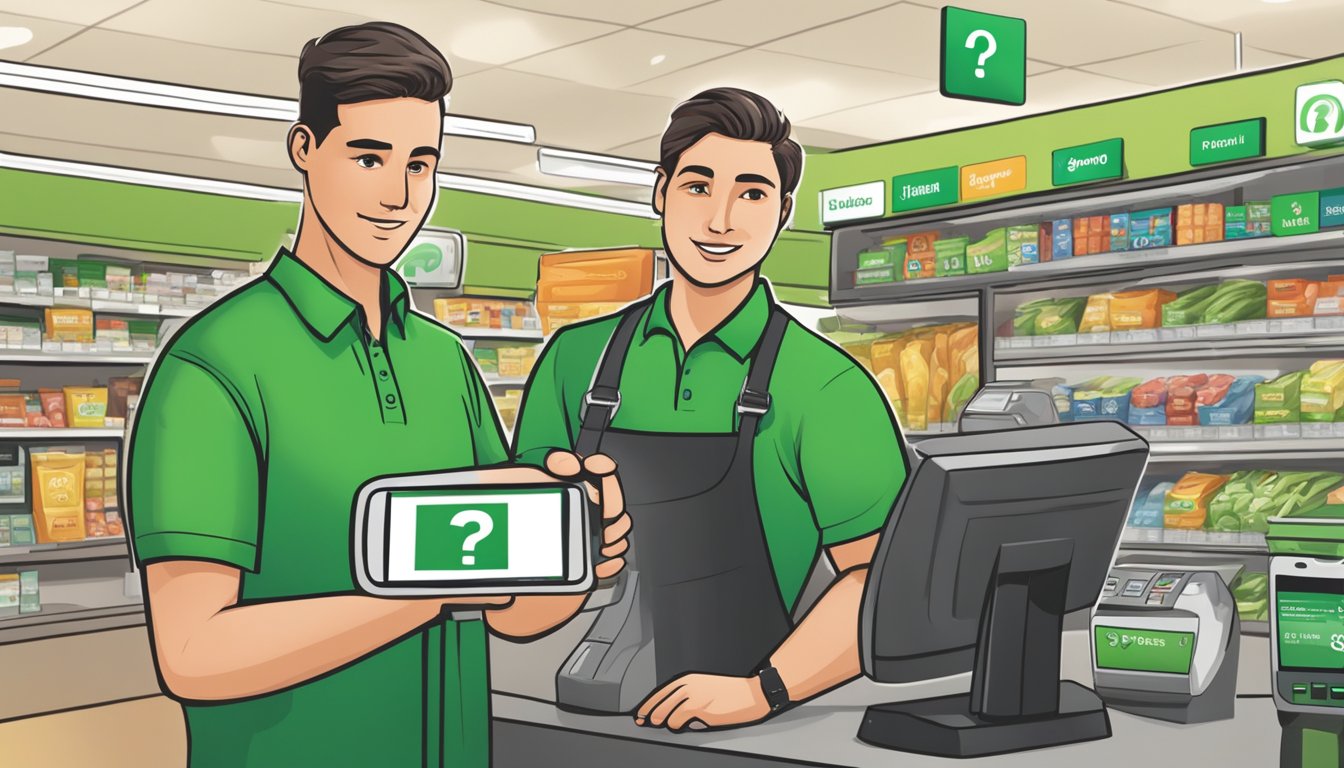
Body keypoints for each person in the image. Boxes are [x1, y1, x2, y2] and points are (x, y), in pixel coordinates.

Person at [127, 22, 629, 768]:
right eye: (370, 156)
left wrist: (572, 551)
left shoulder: (443, 362)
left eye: (420, 163)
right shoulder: (213, 367)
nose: (399, 195)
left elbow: (511, 612)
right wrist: (423, 597)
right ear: (305, 149)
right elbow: (194, 653)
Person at [512, 87, 907, 731]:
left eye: (751, 193)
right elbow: (517, 600)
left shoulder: (827, 386)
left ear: (781, 211)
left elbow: (881, 581)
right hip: (573, 708)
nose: (720, 220)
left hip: (745, 729)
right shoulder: (573, 359)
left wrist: (763, 692)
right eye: (699, 186)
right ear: (662, 192)